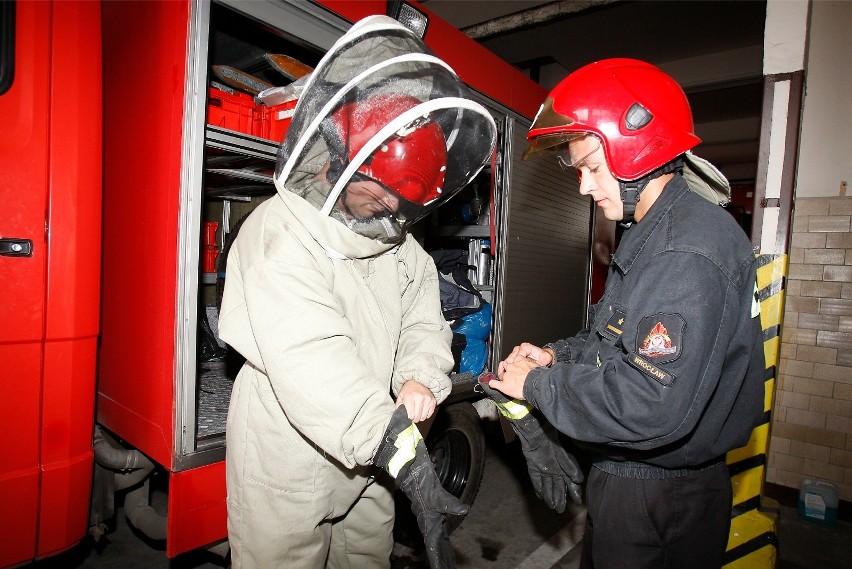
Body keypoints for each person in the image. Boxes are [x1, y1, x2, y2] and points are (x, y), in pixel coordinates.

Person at [218, 16, 496, 569]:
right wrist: (394, 442)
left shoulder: (399, 244)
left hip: (373, 453)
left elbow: (425, 321)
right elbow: (311, 358)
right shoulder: (279, 233)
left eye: (405, 203)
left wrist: (420, 375)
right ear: (350, 160)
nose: (394, 211)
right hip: (290, 458)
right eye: (386, 193)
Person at [484, 58, 765, 569]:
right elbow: (611, 339)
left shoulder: (685, 251)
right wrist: (554, 358)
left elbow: (649, 401)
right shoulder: (656, 230)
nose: (584, 187)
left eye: (591, 167)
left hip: (659, 500)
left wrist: (536, 388)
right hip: (644, 488)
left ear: (638, 148)